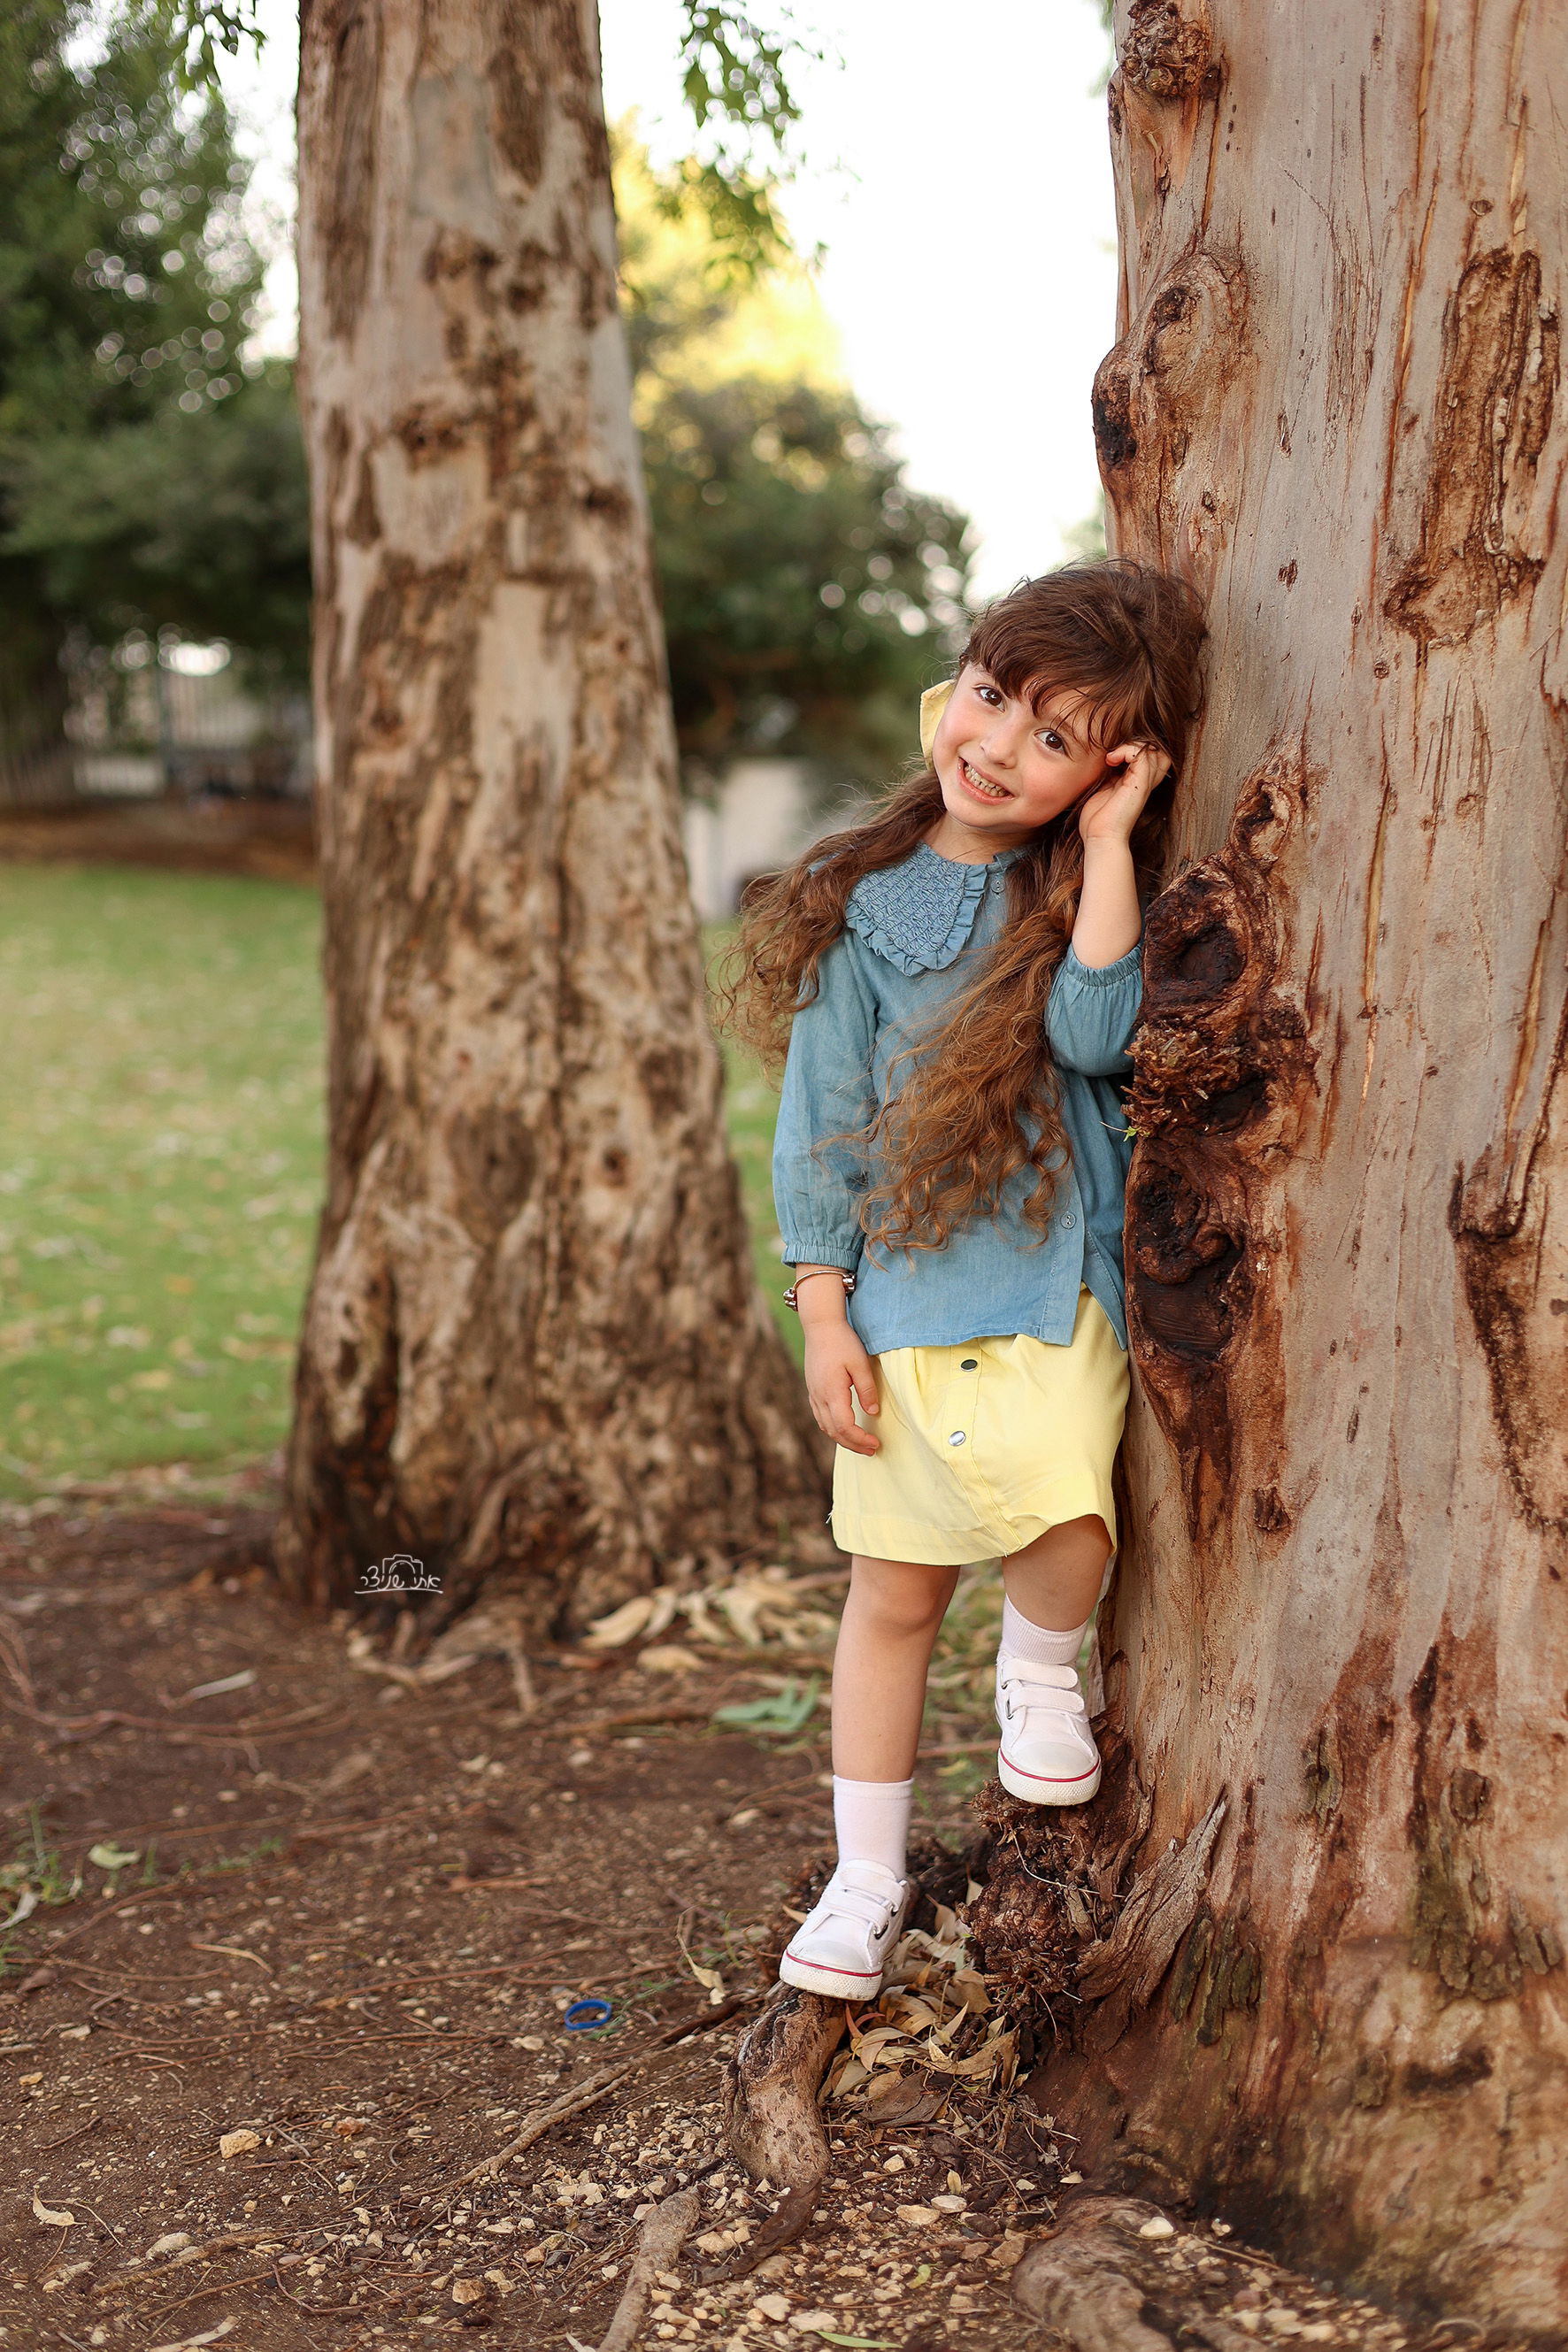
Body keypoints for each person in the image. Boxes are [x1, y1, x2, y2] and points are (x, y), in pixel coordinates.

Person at [723, 559, 1206, 2001]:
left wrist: (1112, 843)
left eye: (1056, 741)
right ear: (956, 690)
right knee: (892, 1592)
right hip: (903, 1300)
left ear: (1102, 771)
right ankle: (866, 1875)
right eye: (994, 700)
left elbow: (1100, 1034)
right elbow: (819, 1124)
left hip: (1053, 1272)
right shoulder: (863, 907)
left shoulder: (1072, 887)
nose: (998, 748)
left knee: (1071, 1503)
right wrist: (821, 1311)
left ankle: (1039, 1671)